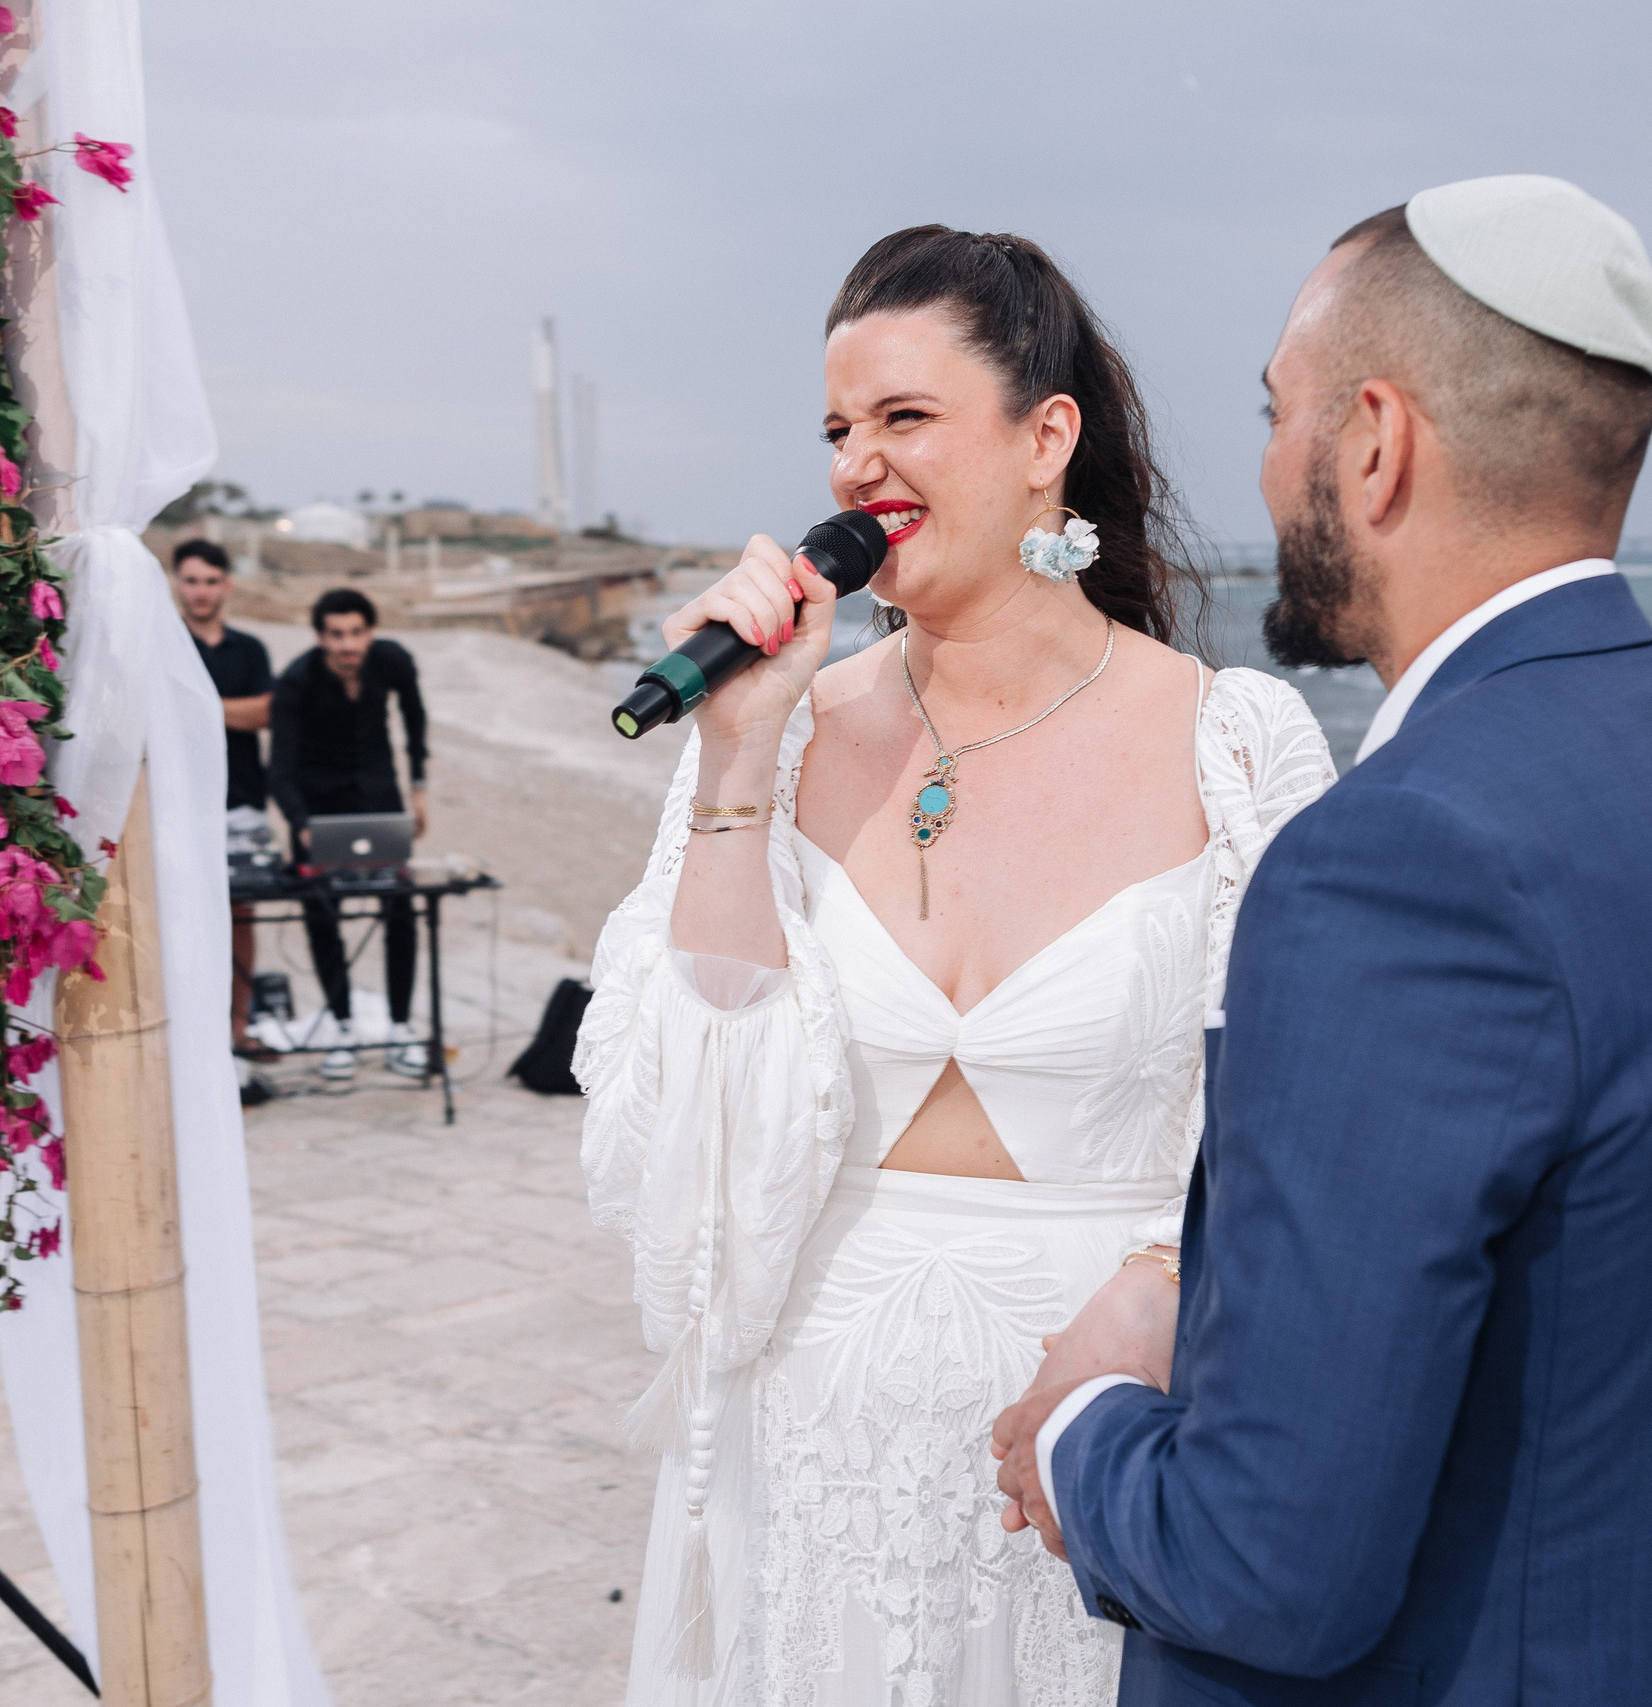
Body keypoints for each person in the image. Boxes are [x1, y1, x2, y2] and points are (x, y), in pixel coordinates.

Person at [988, 177, 1652, 1705]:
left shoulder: (1398, 860)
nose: (1262, 466)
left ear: (1377, 444)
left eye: (1280, 411)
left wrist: (1079, 1430)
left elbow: (1270, 1565)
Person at [575, 227, 1334, 1705]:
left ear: (1047, 436)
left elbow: (1311, 1127)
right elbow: (698, 1118)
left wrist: (1172, 1281)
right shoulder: (780, 728)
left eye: (905, 418)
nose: (859, 464)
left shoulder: (1235, 741)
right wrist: (737, 752)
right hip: (809, 1440)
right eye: (838, 430)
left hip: (1096, 1436)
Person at [268, 586, 430, 1080]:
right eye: (336, 635)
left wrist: (419, 788)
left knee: (401, 910)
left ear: (370, 632)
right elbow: (279, 768)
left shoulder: (392, 660)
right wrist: (300, 827)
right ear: (320, 637)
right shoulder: (296, 681)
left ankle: (401, 1028)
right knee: (321, 914)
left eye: (356, 633)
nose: (347, 645)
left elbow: (414, 718)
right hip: (322, 811)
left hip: (381, 801)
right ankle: (340, 1028)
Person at [171, 538, 276, 1069]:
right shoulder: (164, 644)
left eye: (211, 580)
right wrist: (226, 710)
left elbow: (264, 714)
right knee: (180, 916)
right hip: (177, 801)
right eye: (191, 580)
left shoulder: (250, 650)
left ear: (226, 586)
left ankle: (240, 1025)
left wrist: (194, 705)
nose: (201, 591)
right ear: (176, 583)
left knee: (241, 915)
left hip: (242, 800)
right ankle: (194, 1033)